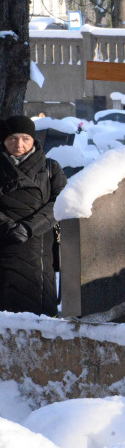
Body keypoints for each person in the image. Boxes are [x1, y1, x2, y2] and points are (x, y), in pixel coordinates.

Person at [0, 116, 67, 316]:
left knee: (38, 319)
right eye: (12, 138)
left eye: (25, 138)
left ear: (33, 140)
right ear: (3, 140)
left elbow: (61, 203)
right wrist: (7, 227)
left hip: (38, 248)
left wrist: (29, 227)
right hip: (4, 246)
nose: (19, 144)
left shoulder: (50, 168)